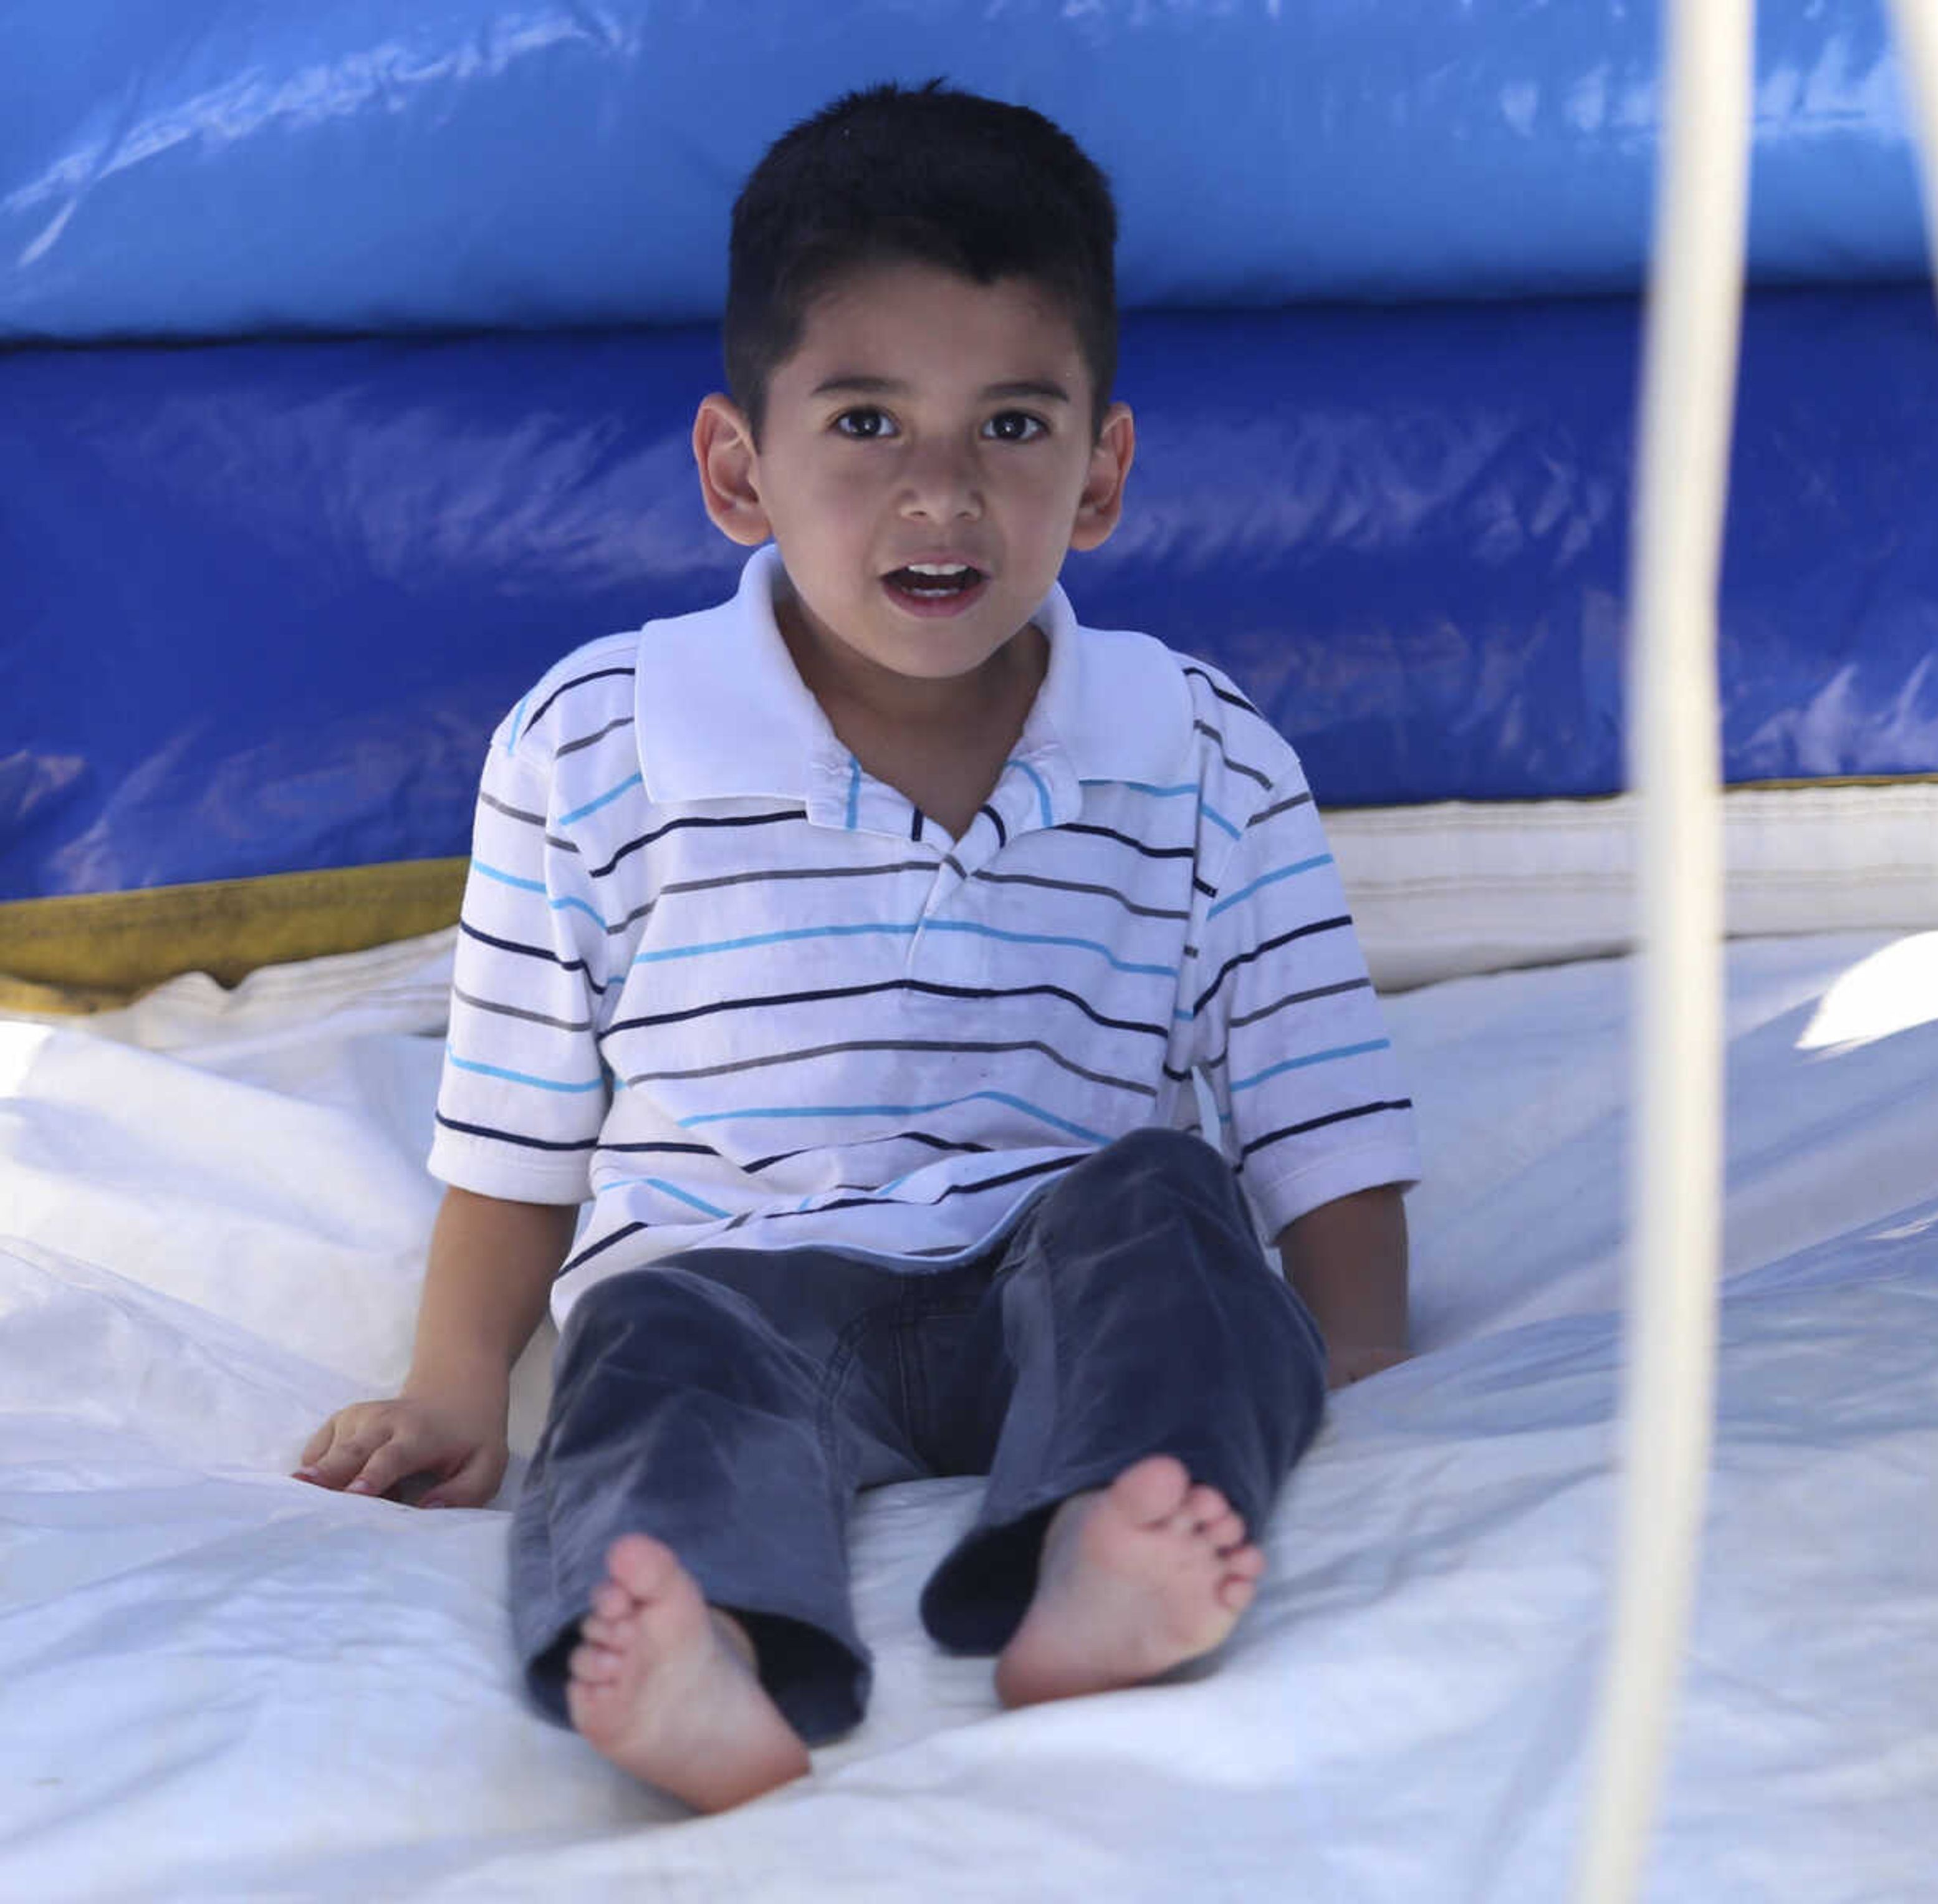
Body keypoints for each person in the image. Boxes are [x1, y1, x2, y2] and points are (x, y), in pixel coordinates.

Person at [293, 80, 1420, 1815]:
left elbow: (1310, 1101)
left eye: (1017, 427)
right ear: (741, 469)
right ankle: (707, 1657)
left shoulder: (1200, 750)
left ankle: (1095, 1568)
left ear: (1104, 472)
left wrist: (1362, 1365)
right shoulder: (595, 743)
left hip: (1051, 1250)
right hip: (737, 1273)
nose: (944, 496)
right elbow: (521, 1122)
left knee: (1181, 1218)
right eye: (870, 423)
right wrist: (456, 1383)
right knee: (652, 1361)